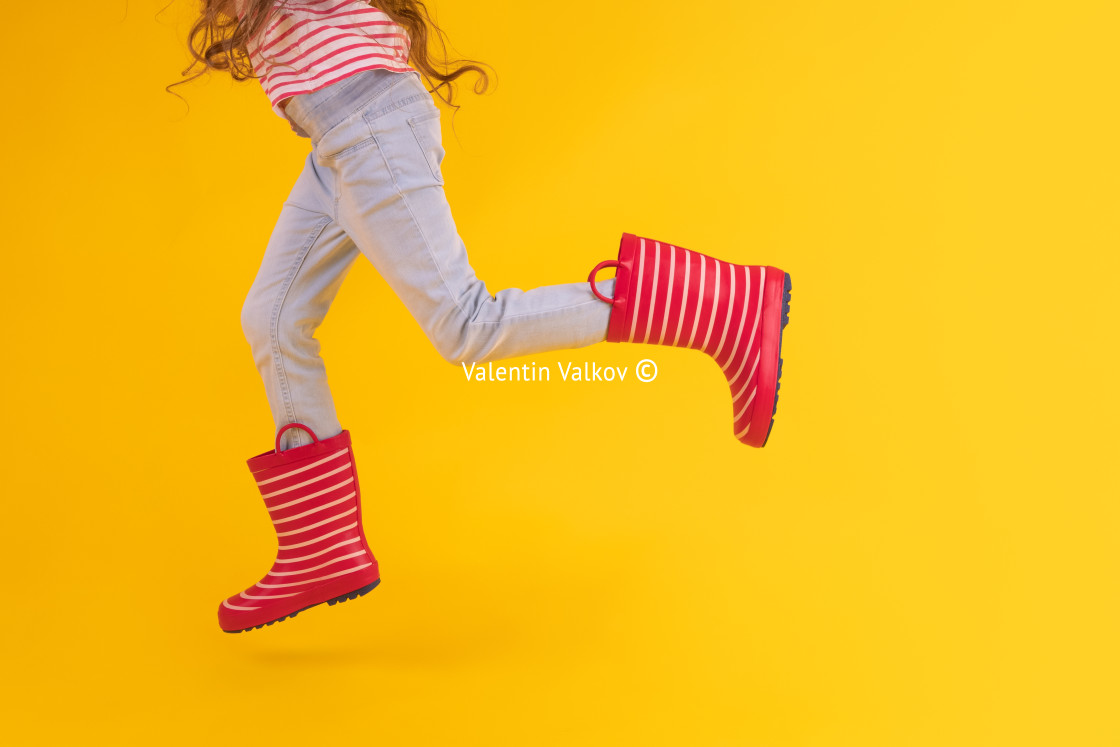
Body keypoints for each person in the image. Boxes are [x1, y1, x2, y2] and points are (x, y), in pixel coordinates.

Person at [174, 0, 792, 634]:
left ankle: (722, 306)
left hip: (372, 132)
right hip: (338, 142)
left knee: (469, 324)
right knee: (273, 318)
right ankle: (321, 547)